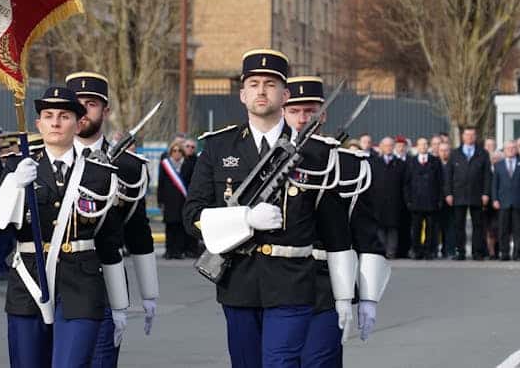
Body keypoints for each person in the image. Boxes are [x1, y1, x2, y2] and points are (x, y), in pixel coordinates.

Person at [183, 50, 356, 368]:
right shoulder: (219, 147)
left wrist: (344, 296)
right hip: (238, 280)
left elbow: (336, 234)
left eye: (271, 84)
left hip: (293, 283)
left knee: (281, 362)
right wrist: (244, 218)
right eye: (254, 83)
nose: (261, 90)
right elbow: (192, 214)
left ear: (285, 94)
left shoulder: (318, 153)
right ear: (242, 94)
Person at [0, 85, 123, 368]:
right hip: (29, 280)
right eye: (48, 115)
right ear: (38, 123)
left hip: (82, 283)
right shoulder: (17, 166)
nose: (56, 122)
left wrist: (119, 305)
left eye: (64, 115)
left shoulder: (99, 174)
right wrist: (14, 183)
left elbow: (110, 242)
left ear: (78, 122)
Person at [282, 77, 388, 367]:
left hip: (327, 283)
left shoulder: (351, 165)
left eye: (310, 111)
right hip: (275, 280)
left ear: (323, 114)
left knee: (319, 361)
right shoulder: (265, 161)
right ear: (282, 112)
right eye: (295, 111)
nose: (303, 119)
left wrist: (369, 297)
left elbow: (366, 234)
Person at [64, 71, 157, 368]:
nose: (83, 111)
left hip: (105, 283)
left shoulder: (128, 167)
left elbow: (137, 231)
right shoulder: (43, 160)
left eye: (91, 104)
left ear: (105, 111)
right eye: (76, 104)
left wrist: (149, 293)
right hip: (53, 284)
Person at [445, 127, 492, 260]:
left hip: (477, 194)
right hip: (458, 194)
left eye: (472, 135)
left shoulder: (482, 153)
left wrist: (486, 193)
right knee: (459, 225)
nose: (470, 137)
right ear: (462, 137)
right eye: (467, 135)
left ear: (475, 137)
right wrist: (448, 193)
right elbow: (448, 175)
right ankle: (460, 252)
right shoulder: (454, 153)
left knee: (478, 225)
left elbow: (487, 175)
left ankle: (477, 252)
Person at [405, 137, 443, 260]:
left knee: (431, 228)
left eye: (426, 144)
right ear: (417, 146)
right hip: (415, 202)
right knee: (416, 228)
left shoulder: (435, 161)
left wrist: (439, 199)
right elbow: (406, 183)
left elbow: (440, 182)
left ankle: (429, 250)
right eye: (421, 144)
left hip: (431, 201)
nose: (424, 147)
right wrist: (408, 200)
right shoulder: (411, 161)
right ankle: (416, 250)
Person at [370, 137, 406, 259]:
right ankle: (382, 250)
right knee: (380, 227)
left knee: (393, 228)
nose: (388, 148)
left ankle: (391, 252)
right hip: (378, 201)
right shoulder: (374, 162)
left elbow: (405, 183)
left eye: (391, 145)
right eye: (386, 145)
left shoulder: (400, 163)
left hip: (395, 201)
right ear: (381, 147)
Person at [158, 138, 192, 259]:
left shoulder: (187, 164)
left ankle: (178, 251)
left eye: (179, 151)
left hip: (182, 200)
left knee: (180, 226)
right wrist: (160, 201)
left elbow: (190, 183)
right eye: (174, 150)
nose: (176, 153)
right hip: (169, 200)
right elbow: (160, 183)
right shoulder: (165, 164)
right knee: (170, 226)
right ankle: (169, 250)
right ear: (171, 152)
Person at [491, 140, 520, 261]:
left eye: (513, 148)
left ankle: (517, 254)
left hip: (518, 202)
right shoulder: (499, 165)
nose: (511, 150)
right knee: (503, 230)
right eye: (508, 148)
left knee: (518, 230)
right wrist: (495, 199)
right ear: (505, 150)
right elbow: (495, 185)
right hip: (503, 202)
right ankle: (504, 253)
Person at [434, 141, 456, 259]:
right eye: (441, 150)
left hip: (450, 200)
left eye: (446, 150)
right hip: (437, 200)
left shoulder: (454, 163)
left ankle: (449, 250)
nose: (444, 152)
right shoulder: (434, 163)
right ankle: (435, 249)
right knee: (436, 227)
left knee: (450, 226)